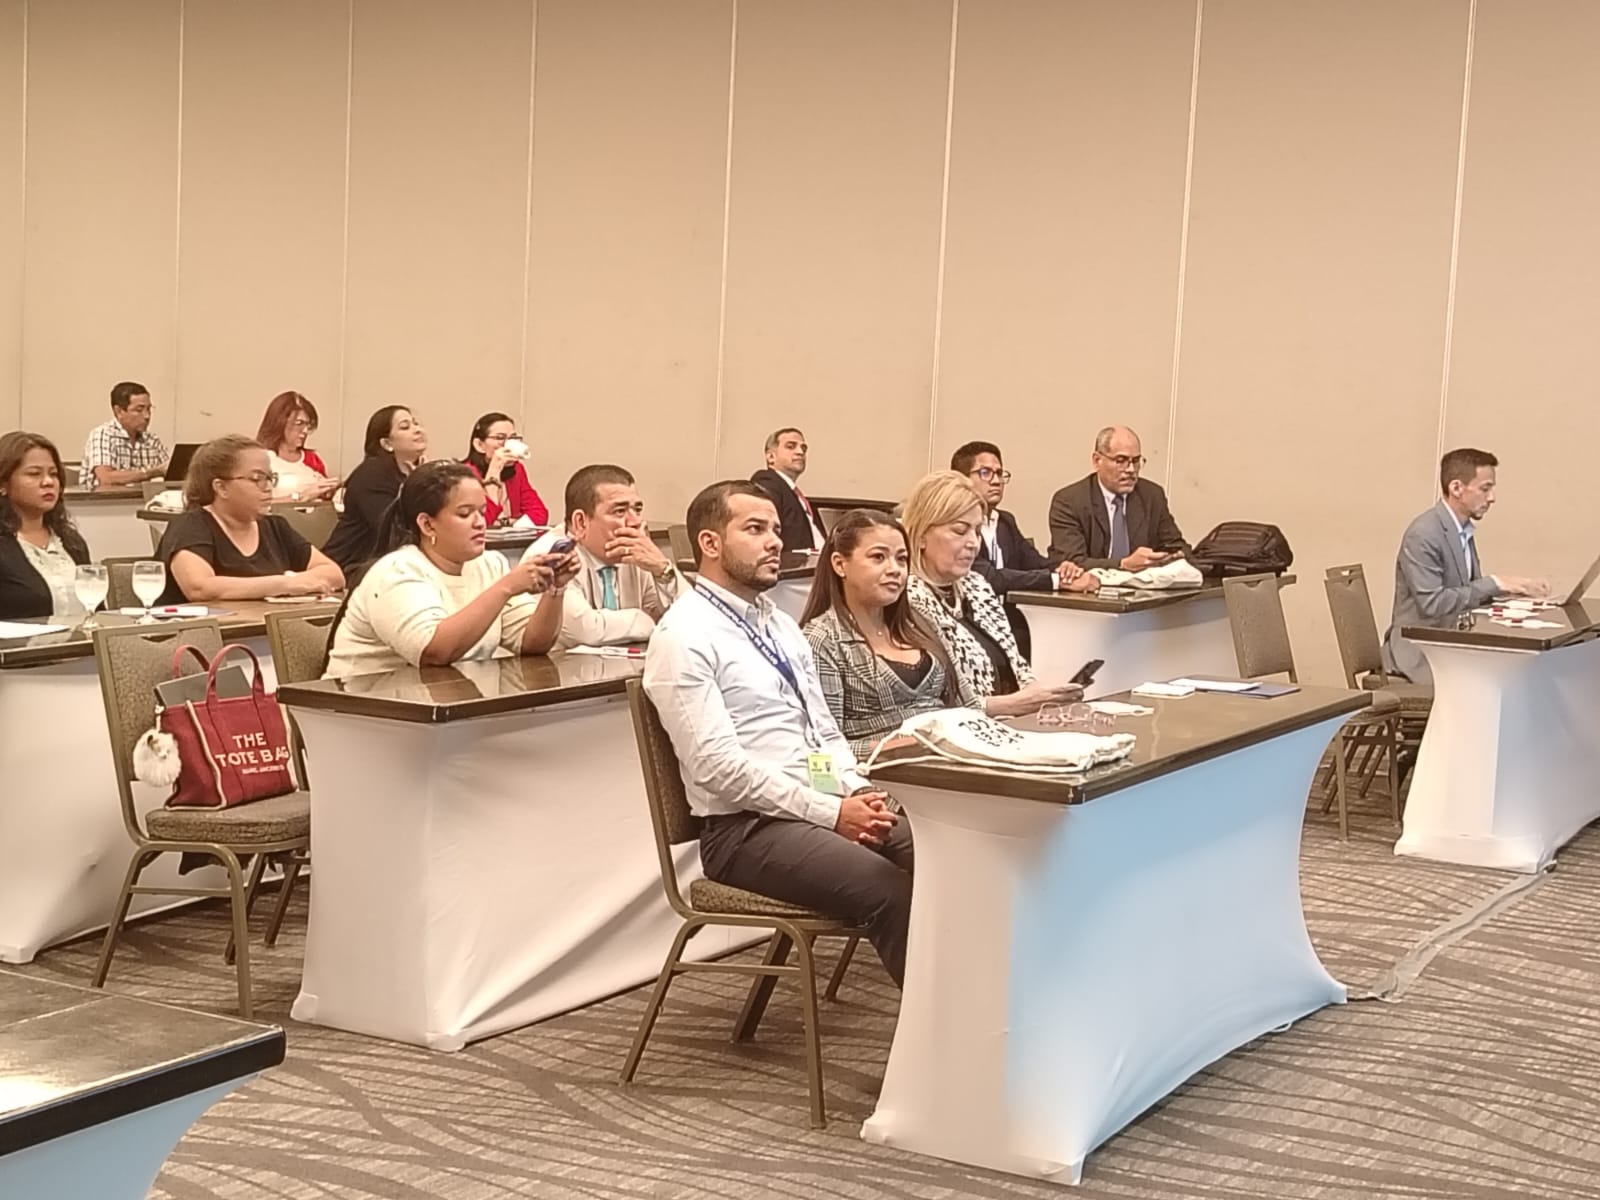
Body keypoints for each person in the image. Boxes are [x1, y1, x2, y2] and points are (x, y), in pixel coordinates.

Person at [644, 481, 913, 986]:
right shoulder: (685, 635)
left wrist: (857, 790)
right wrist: (832, 813)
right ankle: (943, 1031)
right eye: (755, 529)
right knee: (890, 889)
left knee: (942, 856)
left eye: (775, 529)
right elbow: (718, 770)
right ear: (710, 543)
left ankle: (988, 1009)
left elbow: (823, 729)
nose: (774, 541)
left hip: (818, 801)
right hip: (743, 830)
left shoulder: (781, 626)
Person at [323, 461, 578, 680]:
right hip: (364, 705)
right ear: (427, 525)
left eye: (482, 512)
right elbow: (433, 653)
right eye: (465, 514)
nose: (480, 523)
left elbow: (531, 643)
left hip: (447, 700)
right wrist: (506, 588)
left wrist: (555, 589)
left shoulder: (491, 564)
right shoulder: (397, 571)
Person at [902, 471, 1083, 717]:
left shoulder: (977, 586)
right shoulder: (906, 600)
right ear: (921, 535)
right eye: (960, 531)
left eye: (977, 531)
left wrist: (1042, 694)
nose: (973, 543)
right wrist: (1012, 704)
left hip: (1009, 722)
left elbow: (1016, 664)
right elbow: (932, 703)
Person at [801, 508, 979, 759]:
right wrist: (905, 746)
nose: (895, 569)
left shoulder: (920, 620)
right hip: (880, 773)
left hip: (954, 759)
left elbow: (970, 707)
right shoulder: (822, 639)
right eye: (878, 557)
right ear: (840, 564)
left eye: (902, 559)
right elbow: (823, 747)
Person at [1383, 448, 1550, 684]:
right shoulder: (1423, 534)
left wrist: (1516, 589)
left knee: (1516, 676)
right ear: (1456, 488)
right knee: (1504, 681)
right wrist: (1495, 583)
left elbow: (1467, 591)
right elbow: (1433, 603)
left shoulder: (1461, 530)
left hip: (1451, 645)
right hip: (1420, 654)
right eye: (1485, 489)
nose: (1492, 498)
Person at [156, 435, 345, 605]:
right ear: (221, 487)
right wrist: (284, 584)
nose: (268, 487)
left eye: (270, 478)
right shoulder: (190, 526)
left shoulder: (276, 527)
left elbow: (334, 574)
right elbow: (200, 588)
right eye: (257, 479)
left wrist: (294, 582)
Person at [952, 439, 1097, 657]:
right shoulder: (958, 526)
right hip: (971, 625)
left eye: (999, 473)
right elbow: (990, 578)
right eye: (985, 473)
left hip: (1009, 622)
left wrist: (1064, 569)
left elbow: (1035, 562)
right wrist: (1056, 581)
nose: (996, 481)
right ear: (962, 479)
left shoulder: (1005, 521)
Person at [523, 464, 678, 649]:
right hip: (559, 666)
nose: (635, 522)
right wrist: (644, 619)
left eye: (637, 510)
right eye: (619, 511)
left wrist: (662, 569)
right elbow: (584, 632)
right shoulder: (551, 554)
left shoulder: (635, 551)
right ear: (580, 522)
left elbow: (684, 621)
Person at [1048, 425, 1189, 570]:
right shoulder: (1069, 501)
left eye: (1136, 461)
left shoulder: (1152, 496)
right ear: (1097, 461)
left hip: (1143, 583)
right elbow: (1072, 563)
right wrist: (1123, 564)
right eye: (1121, 461)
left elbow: (1176, 547)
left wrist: (1173, 557)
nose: (1131, 470)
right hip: (1092, 583)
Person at [321, 405, 429, 574]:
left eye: (416, 423)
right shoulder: (372, 474)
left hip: (387, 564)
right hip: (350, 566)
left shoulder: (413, 473)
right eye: (405, 427)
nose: (417, 430)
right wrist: (417, 489)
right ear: (387, 443)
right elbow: (393, 531)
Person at [0, 431, 92, 619]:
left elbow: (96, 609)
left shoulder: (71, 541)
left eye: (54, 474)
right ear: (3, 484)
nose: (48, 482)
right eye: (34, 474)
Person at [80, 381, 170, 491]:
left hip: (142, 499)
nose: (147, 416)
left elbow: (169, 470)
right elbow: (106, 478)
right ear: (118, 411)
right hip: (106, 500)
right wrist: (152, 472)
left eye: (148, 409)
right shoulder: (103, 434)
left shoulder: (152, 440)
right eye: (139, 410)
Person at [464, 412, 548, 527]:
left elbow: (540, 513)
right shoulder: (464, 476)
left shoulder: (517, 470)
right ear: (479, 445)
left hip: (510, 537)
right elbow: (481, 522)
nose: (508, 444)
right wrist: (494, 469)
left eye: (513, 438)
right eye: (500, 438)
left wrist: (506, 523)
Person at [751, 427, 827, 552]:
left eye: (803, 448)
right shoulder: (767, 483)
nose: (800, 452)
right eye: (791, 446)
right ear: (771, 457)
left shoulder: (794, 494)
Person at [256, 391, 338, 501]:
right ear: (280, 422)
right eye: (299, 423)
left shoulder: (312, 459)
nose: (305, 431)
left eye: (308, 425)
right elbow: (255, 504)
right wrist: (301, 497)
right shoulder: (260, 459)